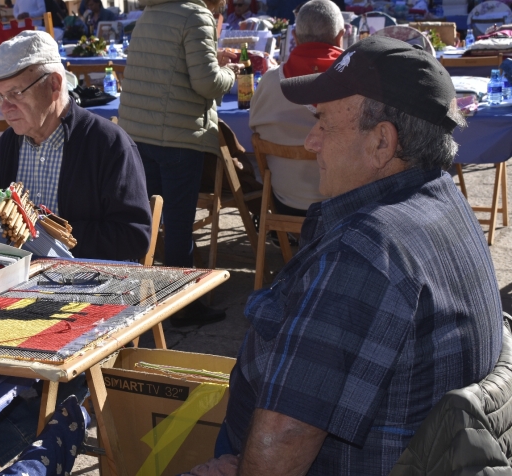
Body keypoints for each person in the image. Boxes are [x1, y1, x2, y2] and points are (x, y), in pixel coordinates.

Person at [188, 36, 504, 476]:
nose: (311, 141)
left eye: (324, 124)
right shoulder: (443, 201)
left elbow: (285, 437)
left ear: (382, 143)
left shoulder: (367, 250)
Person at [0, 30, 151, 262]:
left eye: (16, 93)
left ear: (54, 85)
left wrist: (49, 236)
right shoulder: (7, 145)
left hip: (92, 281)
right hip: (22, 279)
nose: (6, 108)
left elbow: (134, 237)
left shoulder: (108, 144)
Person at [119, 0, 238, 325]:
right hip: (178, 135)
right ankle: (184, 307)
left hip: (140, 133)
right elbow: (207, 84)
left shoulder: (150, 13)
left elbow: (172, 69)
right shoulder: (196, 14)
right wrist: (228, 73)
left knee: (151, 221)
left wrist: (214, 62)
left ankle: (135, 297)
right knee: (178, 225)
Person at [249, 0, 343, 220]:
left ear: (296, 39)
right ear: (340, 37)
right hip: (343, 208)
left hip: (283, 204)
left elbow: (252, 130)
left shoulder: (268, 82)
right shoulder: (356, 83)